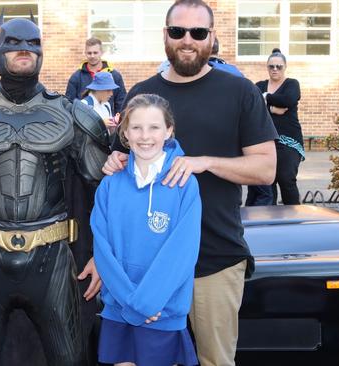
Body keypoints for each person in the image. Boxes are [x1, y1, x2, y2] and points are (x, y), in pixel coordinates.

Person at [102, 1, 278, 365]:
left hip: (213, 261)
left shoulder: (239, 91)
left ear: (212, 38)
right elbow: (119, 160)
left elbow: (266, 170)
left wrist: (206, 162)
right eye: (178, 31)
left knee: (214, 360)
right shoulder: (142, 93)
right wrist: (114, 159)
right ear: (165, 35)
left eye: (198, 33)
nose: (187, 40)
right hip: (146, 269)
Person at [0, 16, 109, 366]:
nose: (23, 50)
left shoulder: (73, 116)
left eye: (32, 43)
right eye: (13, 43)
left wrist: (100, 255)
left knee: (70, 357)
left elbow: (103, 194)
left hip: (53, 257)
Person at [92, 94, 200, 366]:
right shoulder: (110, 184)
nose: (145, 136)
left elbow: (182, 252)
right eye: (136, 128)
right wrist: (130, 302)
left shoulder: (184, 183)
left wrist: (145, 303)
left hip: (162, 312)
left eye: (154, 127)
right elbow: (103, 250)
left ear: (169, 130)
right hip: (119, 308)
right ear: (125, 133)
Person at [255, 48, 304, 205]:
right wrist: (273, 108)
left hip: (288, 140)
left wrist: (266, 98)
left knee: (286, 178)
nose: (275, 69)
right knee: (268, 182)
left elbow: (288, 100)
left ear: (285, 67)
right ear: (267, 67)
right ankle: (272, 221)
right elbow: (254, 107)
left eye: (279, 66)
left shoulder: (292, 84)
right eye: (271, 66)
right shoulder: (260, 85)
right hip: (266, 141)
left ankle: (294, 217)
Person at [66, 37, 127, 115]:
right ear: (85, 53)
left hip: (109, 124)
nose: (92, 56)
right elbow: (69, 103)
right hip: (83, 124)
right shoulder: (76, 77)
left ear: (101, 52)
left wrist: (117, 123)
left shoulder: (114, 75)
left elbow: (121, 103)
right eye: (89, 53)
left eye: (95, 52)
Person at [80, 71, 120, 137]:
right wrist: (101, 125)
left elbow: (110, 134)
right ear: (98, 89)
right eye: (108, 90)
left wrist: (113, 125)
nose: (111, 94)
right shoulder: (84, 104)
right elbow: (80, 133)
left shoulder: (107, 105)